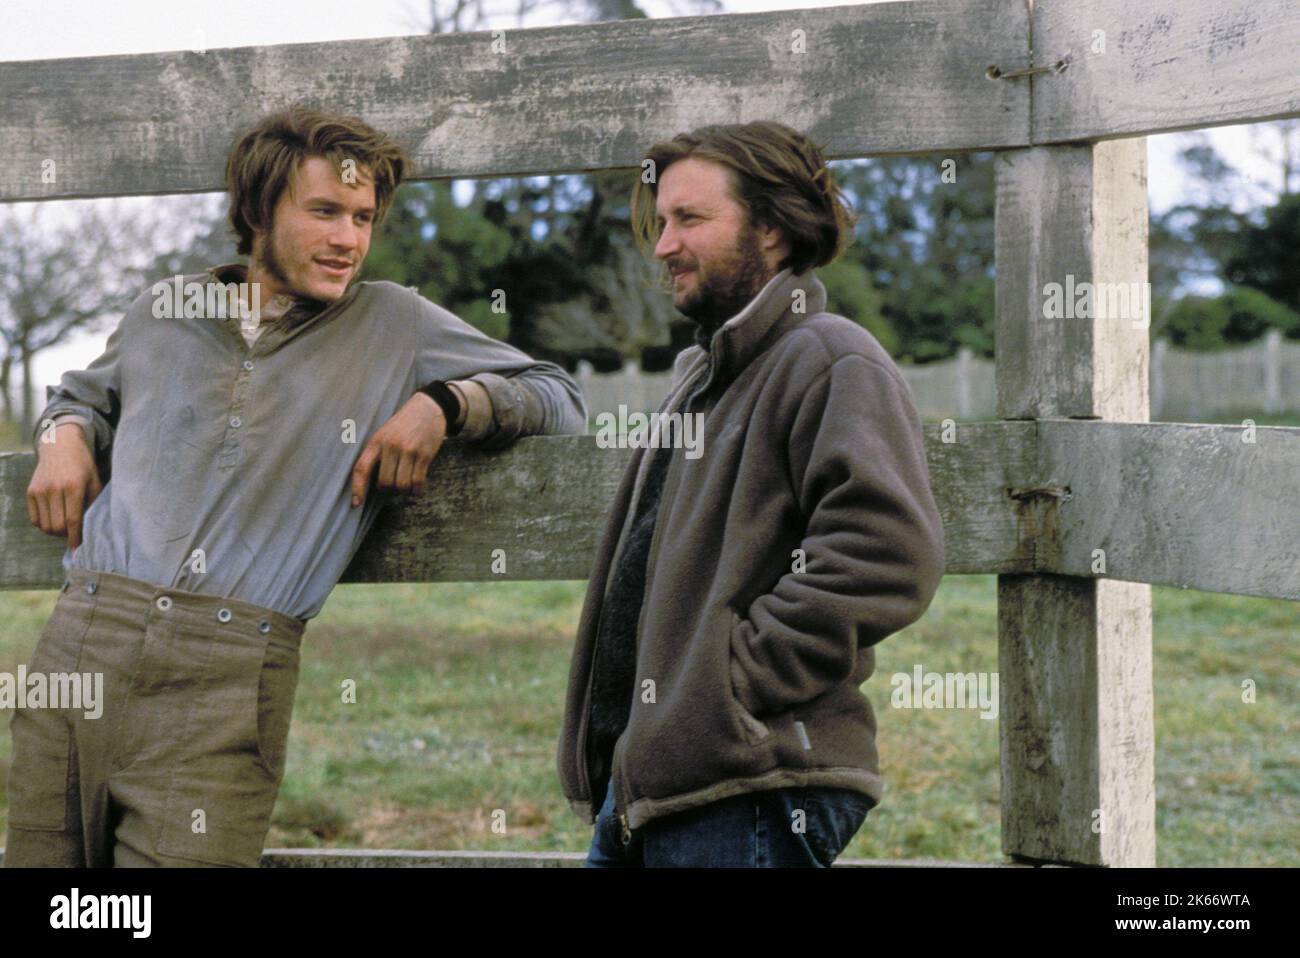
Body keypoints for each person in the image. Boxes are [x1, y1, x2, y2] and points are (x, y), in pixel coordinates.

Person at [9, 106, 586, 867]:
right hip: (83, 642)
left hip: (227, 676)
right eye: (324, 212)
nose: (348, 239)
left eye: (363, 217)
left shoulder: (394, 323)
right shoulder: (163, 311)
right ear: (255, 213)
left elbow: (559, 397)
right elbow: (80, 395)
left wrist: (444, 404)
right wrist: (63, 438)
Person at [556, 120, 945, 867]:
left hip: (752, 784)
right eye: (662, 222)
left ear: (771, 228)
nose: (664, 245)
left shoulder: (830, 358)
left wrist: (727, 687)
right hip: (660, 783)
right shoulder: (706, 378)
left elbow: (887, 554)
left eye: (691, 220)